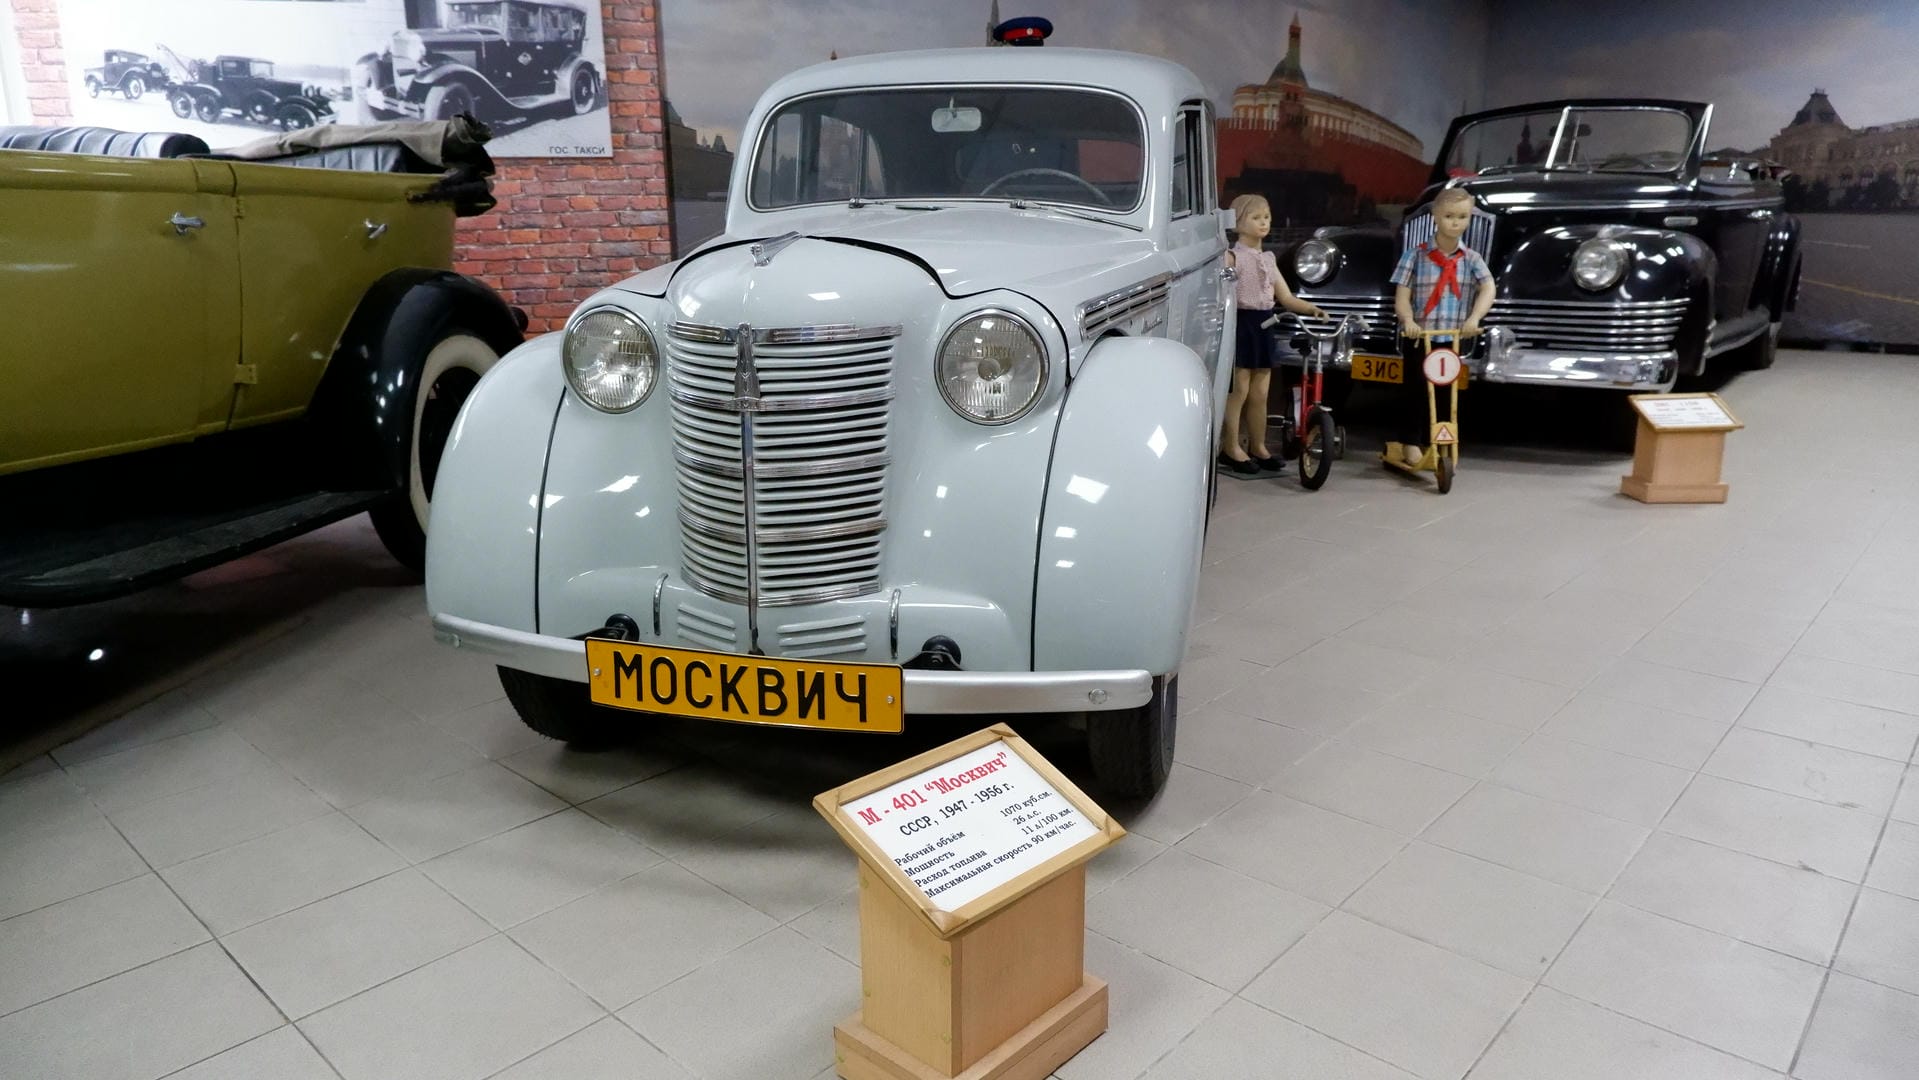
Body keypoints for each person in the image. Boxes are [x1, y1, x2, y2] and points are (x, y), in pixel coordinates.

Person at [1389, 186, 1494, 463]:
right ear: (1435, 216)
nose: (1456, 222)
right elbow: (1402, 295)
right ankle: (1410, 440)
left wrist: (1473, 318)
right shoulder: (1415, 255)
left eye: (1462, 216)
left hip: (1450, 338)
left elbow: (1488, 287)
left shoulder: (1471, 259)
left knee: (1447, 392)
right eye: (1449, 216)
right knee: (1415, 389)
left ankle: (1440, 438)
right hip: (1420, 336)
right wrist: (1408, 320)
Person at [1222, 193, 1325, 475]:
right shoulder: (1232, 257)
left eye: (1266, 217)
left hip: (1265, 323)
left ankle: (1258, 445)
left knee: (1261, 392)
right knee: (1238, 389)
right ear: (1238, 223)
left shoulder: (1268, 259)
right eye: (1256, 218)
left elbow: (1286, 297)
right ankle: (1230, 446)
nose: (1263, 222)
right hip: (1242, 323)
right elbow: (1224, 294)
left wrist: (1311, 308)